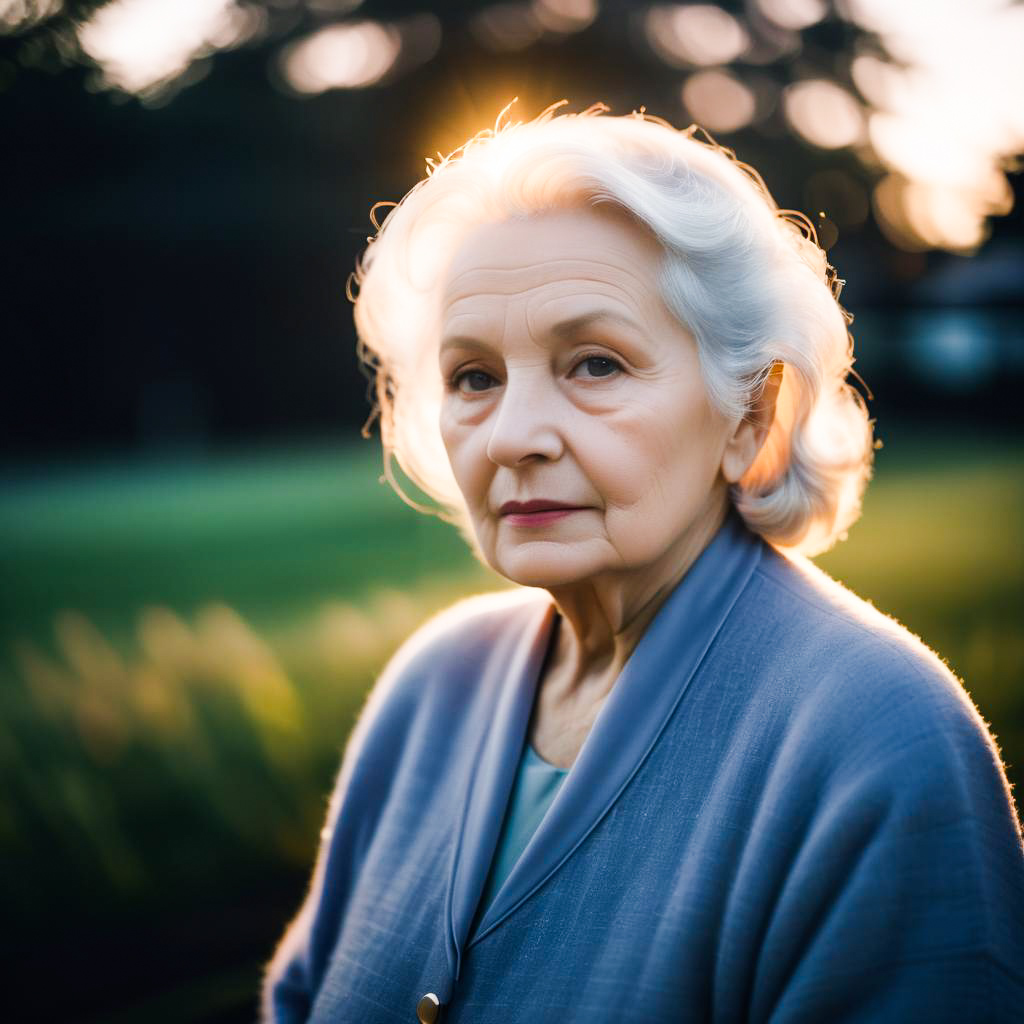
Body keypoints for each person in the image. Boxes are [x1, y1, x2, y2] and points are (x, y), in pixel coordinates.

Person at [261, 105, 1024, 1023]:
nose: (512, 436)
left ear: (752, 416)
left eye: (594, 364)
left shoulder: (878, 738)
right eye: (474, 377)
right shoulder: (432, 684)